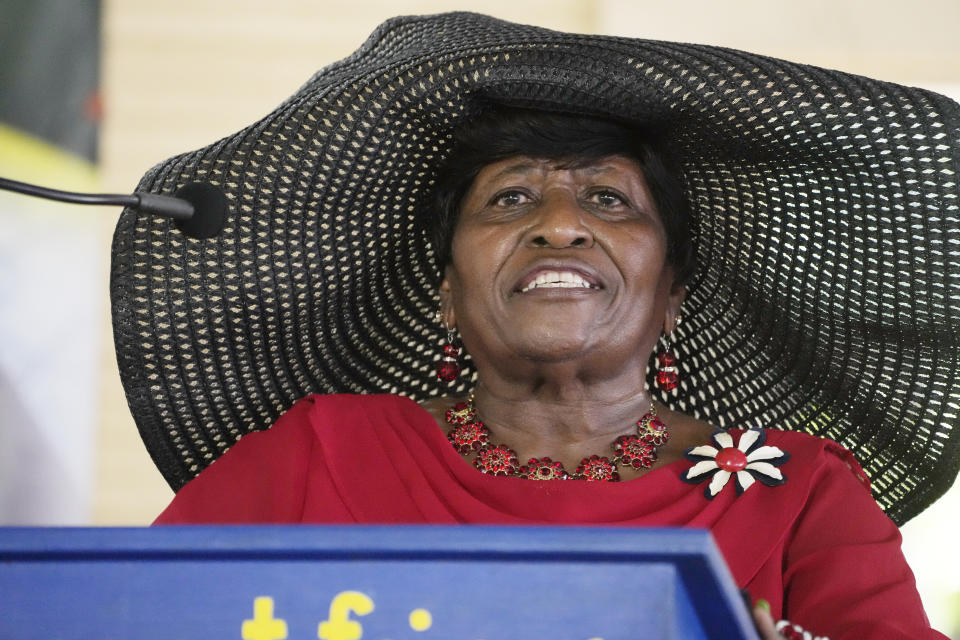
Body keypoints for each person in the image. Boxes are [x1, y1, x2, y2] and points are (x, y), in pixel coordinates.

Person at [114, 12, 959, 639]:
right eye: (509, 198)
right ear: (447, 293)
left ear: (671, 296)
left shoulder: (797, 490)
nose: (559, 224)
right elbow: (117, 619)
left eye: (608, 199)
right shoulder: (317, 452)